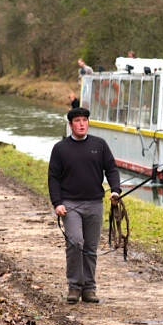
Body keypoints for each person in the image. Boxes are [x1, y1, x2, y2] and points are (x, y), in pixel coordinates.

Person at [48, 107, 121, 304]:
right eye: (77, 120)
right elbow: (53, 178)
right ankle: (74, 286)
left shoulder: (100, 145)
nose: (82, 124)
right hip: (70, 205)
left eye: (85, 120)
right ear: (70, 124)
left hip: (95, 203)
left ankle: (89, 288)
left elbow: (111, 169)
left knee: (90, 247)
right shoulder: (60, 148)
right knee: (75, 241)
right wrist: (57, 203)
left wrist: (115, 190)